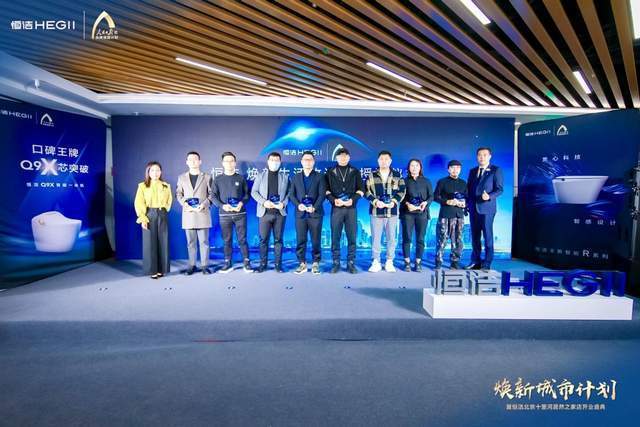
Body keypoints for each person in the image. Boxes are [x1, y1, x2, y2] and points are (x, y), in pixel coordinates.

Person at [211, 151, 253, 273]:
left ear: (234, 163)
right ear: (222, 163)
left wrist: (241, 203)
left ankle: (246, 262)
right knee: (226, 240)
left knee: (242, 239)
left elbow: (247, 194)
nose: (229, 163)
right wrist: (223, 206)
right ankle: (228, 263)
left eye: (231, 161)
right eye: (226, 161)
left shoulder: (240, 178)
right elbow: (213, 196)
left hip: (240, 214)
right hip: (225, 215)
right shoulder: (217, 179)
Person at [325, 147, 365, 274]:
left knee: (352, 237)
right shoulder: (330, 172)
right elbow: (326, 190)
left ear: (349, 157)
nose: (343, 158)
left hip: (351, 209)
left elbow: (361, 190)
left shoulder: (355, 171)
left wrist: (353, 200)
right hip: (336, 208)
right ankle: (336, 262)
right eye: (340, 156)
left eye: (345, 156)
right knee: (335, 237)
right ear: (336, 158)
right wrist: (333, 200)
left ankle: (350, 263)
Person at [365, 150, 406, 273]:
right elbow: (366, 191)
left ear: (390, 161)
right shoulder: (371, 175)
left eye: (386, 159)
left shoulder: (397, 175)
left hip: (392, 212)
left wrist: (394, 201)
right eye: (381, 159)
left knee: (391, 238)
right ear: (378, 161)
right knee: (376, 238)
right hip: (376, 211)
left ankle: (389, 261)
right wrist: (375, 201)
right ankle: (376, 261)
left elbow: (402, 191)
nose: (384, 161)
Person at [251, 152, 290, 273]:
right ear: (268, 162)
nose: (274, 162)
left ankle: (278, 265)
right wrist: (264, 202)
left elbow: (290, 193)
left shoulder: (285, 177)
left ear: (280, 162)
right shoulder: (260, 176)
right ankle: (263, 264)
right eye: (272, 160)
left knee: (278, 240)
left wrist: (283, 203)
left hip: (279, 213)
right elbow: (254, 192)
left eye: (277, 160)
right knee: (263, 240)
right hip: (264, 213)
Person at [176, 151, 213, 275]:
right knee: (191, 243)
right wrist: (185, 204)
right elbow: (178, 194)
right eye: (190, 159)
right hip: (189, 214)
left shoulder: (207, 177)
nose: (193, 161)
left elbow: (212, 194)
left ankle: (205, 266)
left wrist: (203, 205)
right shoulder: (181, 178)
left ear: (200, 161)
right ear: (186, 162)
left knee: (204, 242)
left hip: (202, 213)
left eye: (195, 159)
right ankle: (191, 265)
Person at [466, 147, 503, 270]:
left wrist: (489, 196)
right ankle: (475, 261)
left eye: (484, 155)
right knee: (475, 236)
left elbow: (499, 189)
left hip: (487, 209)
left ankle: (487, 262)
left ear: (490, 156)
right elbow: (469, 189)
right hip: (473, 208)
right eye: (479, 155)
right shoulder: (472, 171)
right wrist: (466, 204)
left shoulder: (495, 170)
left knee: (487, 236)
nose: (482, 157)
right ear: (477, 157)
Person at [288, 151, 326, 275]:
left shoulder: (320, 177)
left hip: (315, 214)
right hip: (300, 214)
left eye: (310, 160)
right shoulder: (295, 177)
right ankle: (302, 263)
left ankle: (316, 263)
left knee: (316, 240)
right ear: (301, 162)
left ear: (313, 162)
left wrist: (314, 207)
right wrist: (298, 205)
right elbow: (291, 195)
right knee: (301, 239)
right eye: (305, 160)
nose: (308, 162)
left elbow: (322, 195)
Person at [134, 161, 172, 279]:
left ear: (161, 172)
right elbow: (139, 202)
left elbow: (169, 200)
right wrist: (143, 218)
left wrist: (164, 209)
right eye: (153, 170)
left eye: (158, 170)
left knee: (163, 241)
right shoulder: (142, 186)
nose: (155, 173)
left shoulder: (166, 185)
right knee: (150, 243)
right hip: (149, 214)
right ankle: (152, 270)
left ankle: (162, 269)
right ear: (148, 172)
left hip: (162, 214)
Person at [400, 158, 433, 272]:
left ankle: (418, 262)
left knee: (420, 239)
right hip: (407, 213)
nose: (414, 168)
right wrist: (407, 204)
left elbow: (431, 196)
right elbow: (400, 196)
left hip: (422, 213)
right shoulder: (404, 181)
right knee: (407, 238)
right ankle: (407, 262)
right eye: (412, 166)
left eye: (416, 165)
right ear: (409, 168)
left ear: (420, 168)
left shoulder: (426, 181)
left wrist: (425, 203)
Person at [434, 160, 467, 269]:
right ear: (448, 169)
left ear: (460, 170)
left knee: (458, 240)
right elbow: (435, 197)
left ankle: (455, 261)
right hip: (445, 214)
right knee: (442, 238)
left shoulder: (463, 183)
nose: (455, 170)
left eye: (457, 168)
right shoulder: (442, 182)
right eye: (452, 168)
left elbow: (467, 198)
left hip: (459, 215)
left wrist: (465, 204)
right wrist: (446, 201)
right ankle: (438, 260)